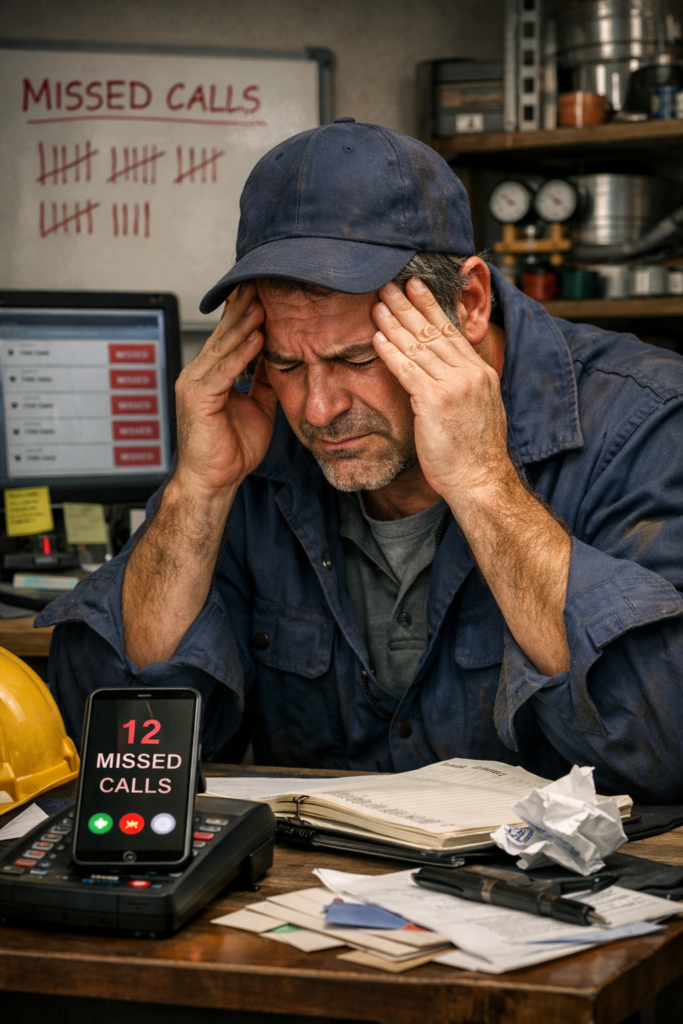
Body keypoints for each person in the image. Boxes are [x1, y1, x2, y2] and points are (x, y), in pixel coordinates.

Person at [39, 119, 683, 801]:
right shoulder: (253, 434)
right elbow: (122, 745)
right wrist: (197, 490)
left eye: (357, 358)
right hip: (302, 890)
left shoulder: (642, 421)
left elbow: (662, 750)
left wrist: (481, 483)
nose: (317, 410)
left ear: (466, 303)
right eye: (286, 363)